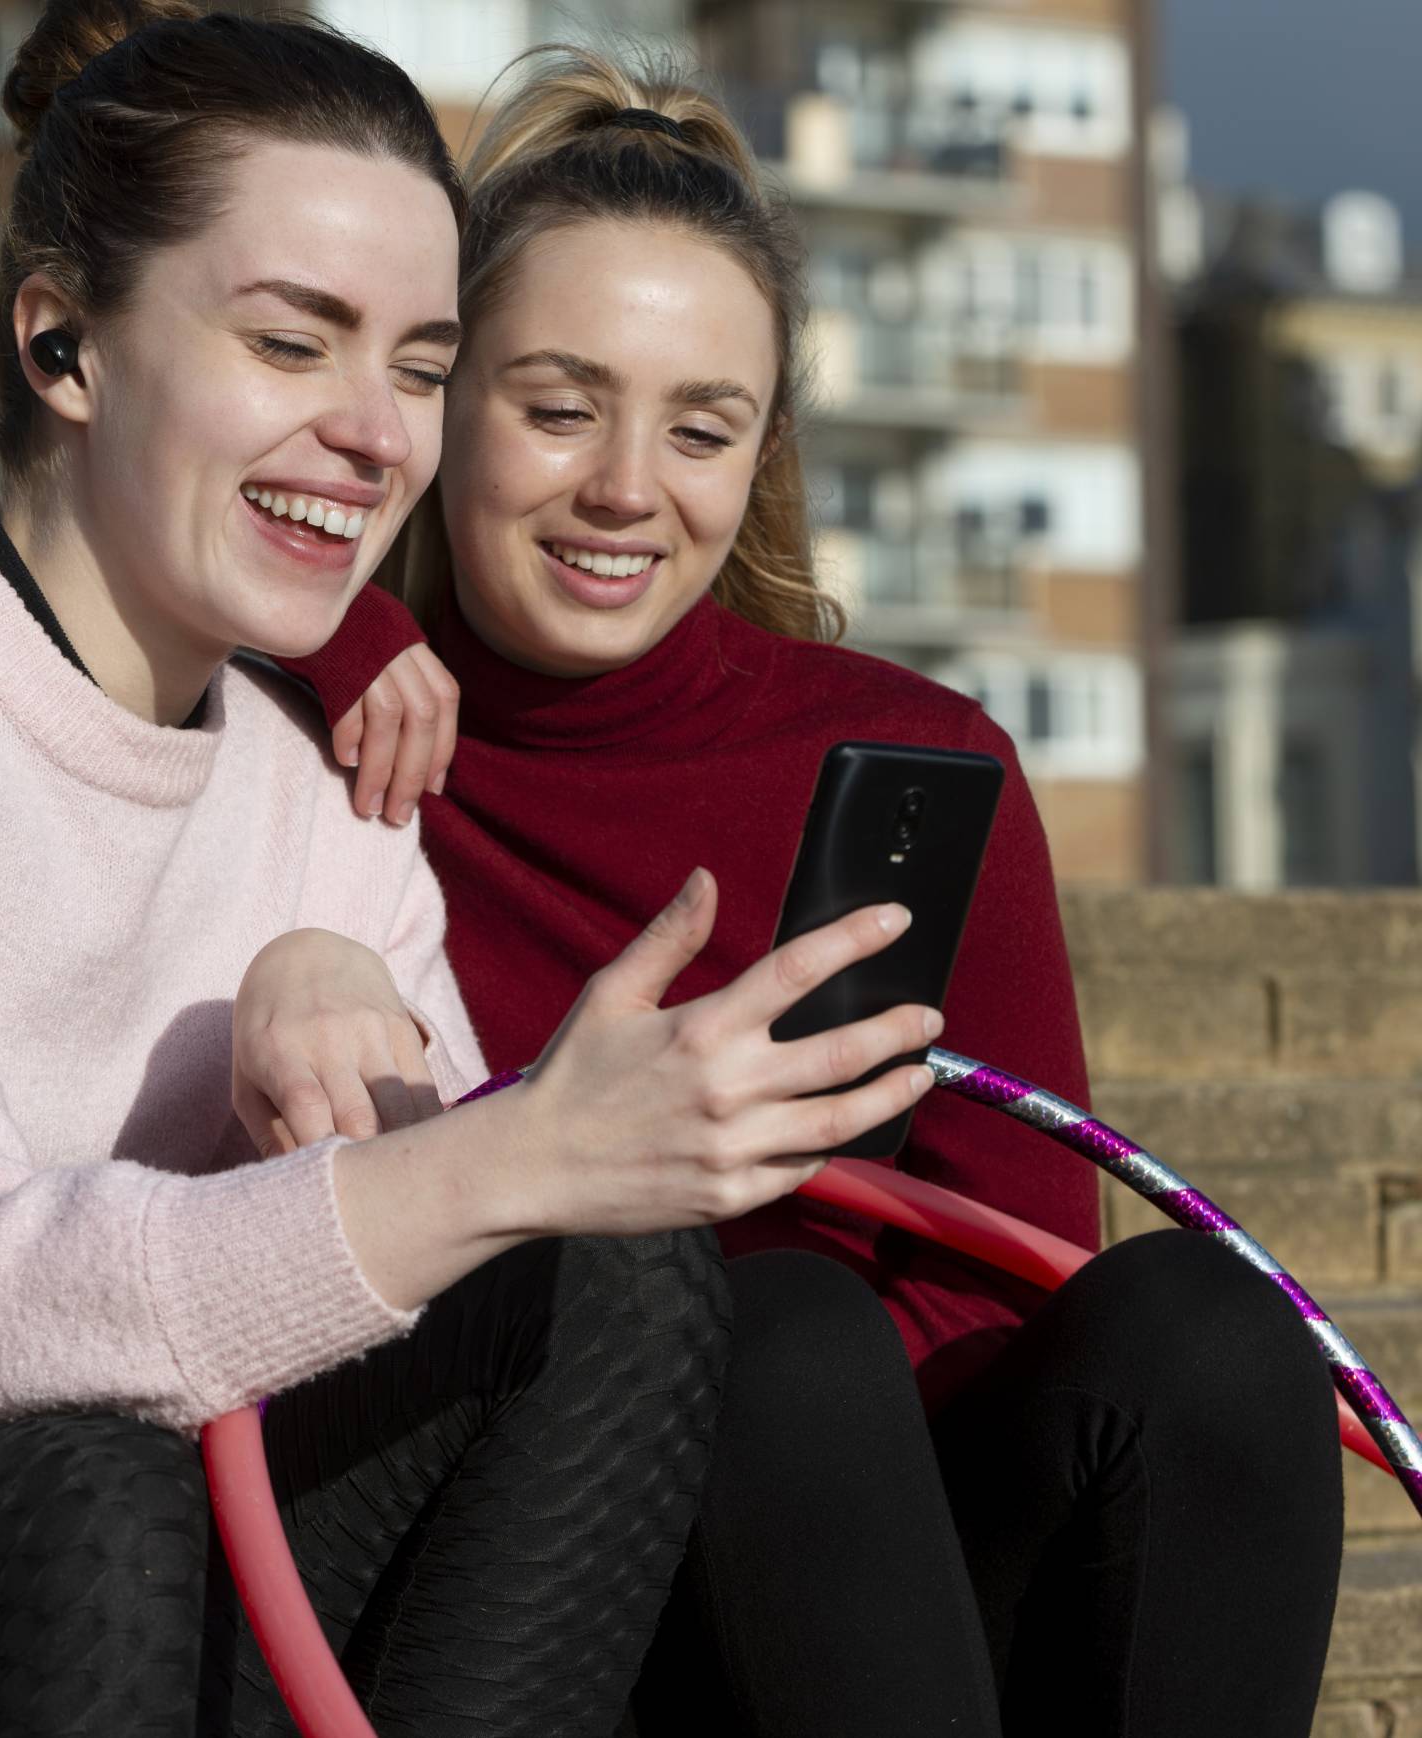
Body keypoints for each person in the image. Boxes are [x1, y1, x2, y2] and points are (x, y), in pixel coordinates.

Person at [0, 7, 953, 1736]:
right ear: (65, 344)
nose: (373, 433)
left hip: (107, 1579)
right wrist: (511, 1147)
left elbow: (427, 1271)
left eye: (419, 367)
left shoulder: (337, 783)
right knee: (96, 1491)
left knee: (598, 1281)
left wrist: (416, 1086)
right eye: (293, 343)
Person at [272, 45, 1347, 1738]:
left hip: (865, 1565)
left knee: (1203, 1323)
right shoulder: (318, 734)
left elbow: (1015, 1264)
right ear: (436, 400)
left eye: (702, 428)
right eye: (558, 408)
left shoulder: (914, 757)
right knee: (761, 1329)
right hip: (520, 1581)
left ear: (761, 452)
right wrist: (336, 616)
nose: (628, 486)